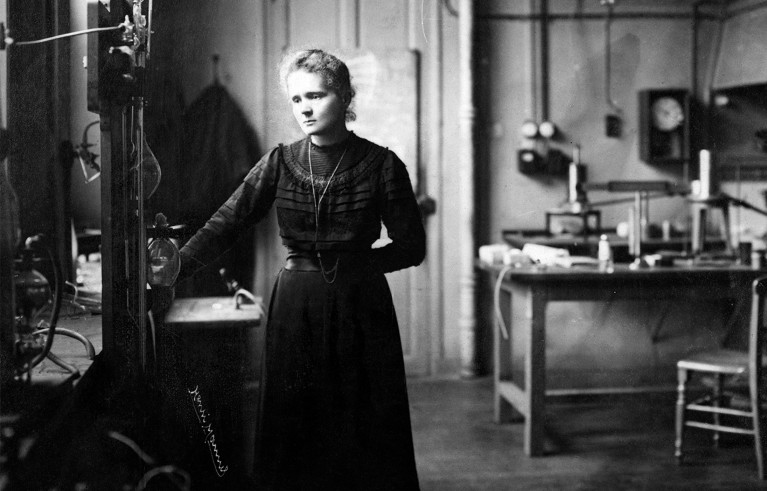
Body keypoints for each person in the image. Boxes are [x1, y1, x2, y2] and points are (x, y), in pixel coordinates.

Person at [177, 48, 425, 490]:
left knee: (362, 422)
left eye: (317, 95)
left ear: (345, 96)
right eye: (296, 100)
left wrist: (355, 266)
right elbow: (226, 222)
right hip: (296, 306)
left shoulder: (383, 165)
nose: (306, 108)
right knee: (296, 423)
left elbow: (412, 247)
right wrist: (173, 266)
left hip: (360, 306)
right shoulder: (279, 161)